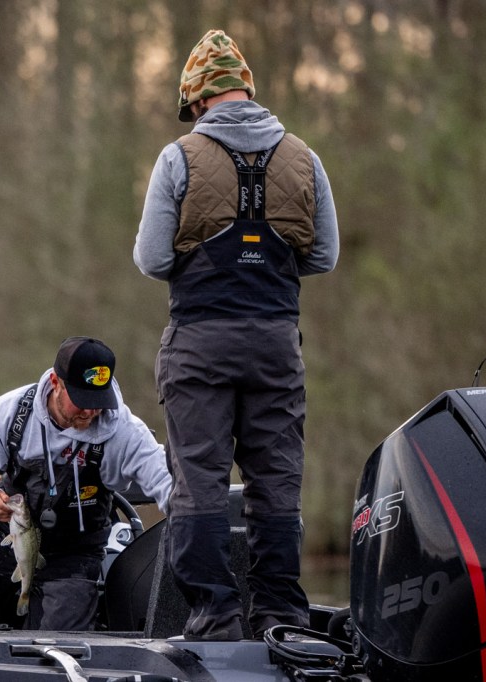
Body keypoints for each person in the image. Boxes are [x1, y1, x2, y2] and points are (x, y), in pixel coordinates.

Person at [133, 29, 339, 641]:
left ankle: (215, 620)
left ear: (197, 99)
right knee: (277, 483)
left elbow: (151, 259)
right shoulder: (305, 158)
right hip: (275, 343)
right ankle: (280, 619)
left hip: (200, 343)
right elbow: (324, 255)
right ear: (246, 91)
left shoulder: (178, 158)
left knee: (198, 481)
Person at [0, 336, 172, 630]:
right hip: (1, 535)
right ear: (56, 382)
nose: (90, 412)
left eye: (98, 402)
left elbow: (165, 479)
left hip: (74, 554)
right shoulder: (11, 411)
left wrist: (192, 520)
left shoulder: (125, 432)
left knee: (61, 648)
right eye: (81, 401)